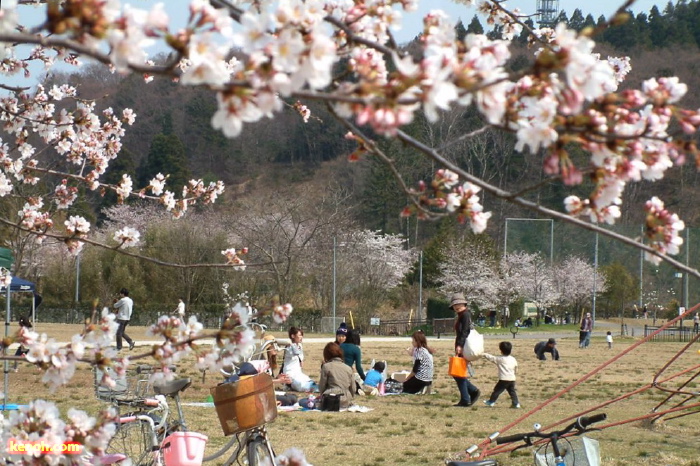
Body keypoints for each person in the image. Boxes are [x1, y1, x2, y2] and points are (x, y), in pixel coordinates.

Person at [450, 293, 481, 407]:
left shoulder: (465, 315)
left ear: (464, 303)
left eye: (459, 304)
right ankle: (471, 392)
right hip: (461, 346)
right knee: (457, 372)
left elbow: (465, 331)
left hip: (463, 346)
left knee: (458, 373)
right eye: (454, 305)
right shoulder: (461, 315)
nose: (457, 306)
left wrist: (460, 345)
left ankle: (466, 397)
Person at [482, 341, 520, 408]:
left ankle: (491, 401)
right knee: (512, 392)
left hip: (504, 379)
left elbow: (492, 358)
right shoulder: (513, 359)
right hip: (512, 379)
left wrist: (484, 354)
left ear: (501, 351)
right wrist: (514, 374)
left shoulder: (500, 359)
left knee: (497, 390)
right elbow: (516, 367)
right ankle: (516, 403)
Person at [318, 342, 355, 409]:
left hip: (330, 399)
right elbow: (353, 388)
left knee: (303, 402)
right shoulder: (348, 368)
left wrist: (322, 396)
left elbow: (322, 386)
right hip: (346, 399)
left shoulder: (326, 367)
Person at [282, 327, 318, 392]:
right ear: (293, 336)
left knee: (309, 381)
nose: (301, 337)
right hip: (290, 373)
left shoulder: (299, 345)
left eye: (302, 335)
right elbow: (296, 352)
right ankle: (288, 385)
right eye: (299, 335)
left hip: (298, 372)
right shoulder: (289, 347)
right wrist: (290, 344)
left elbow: (300, 356)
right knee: (301, 385)